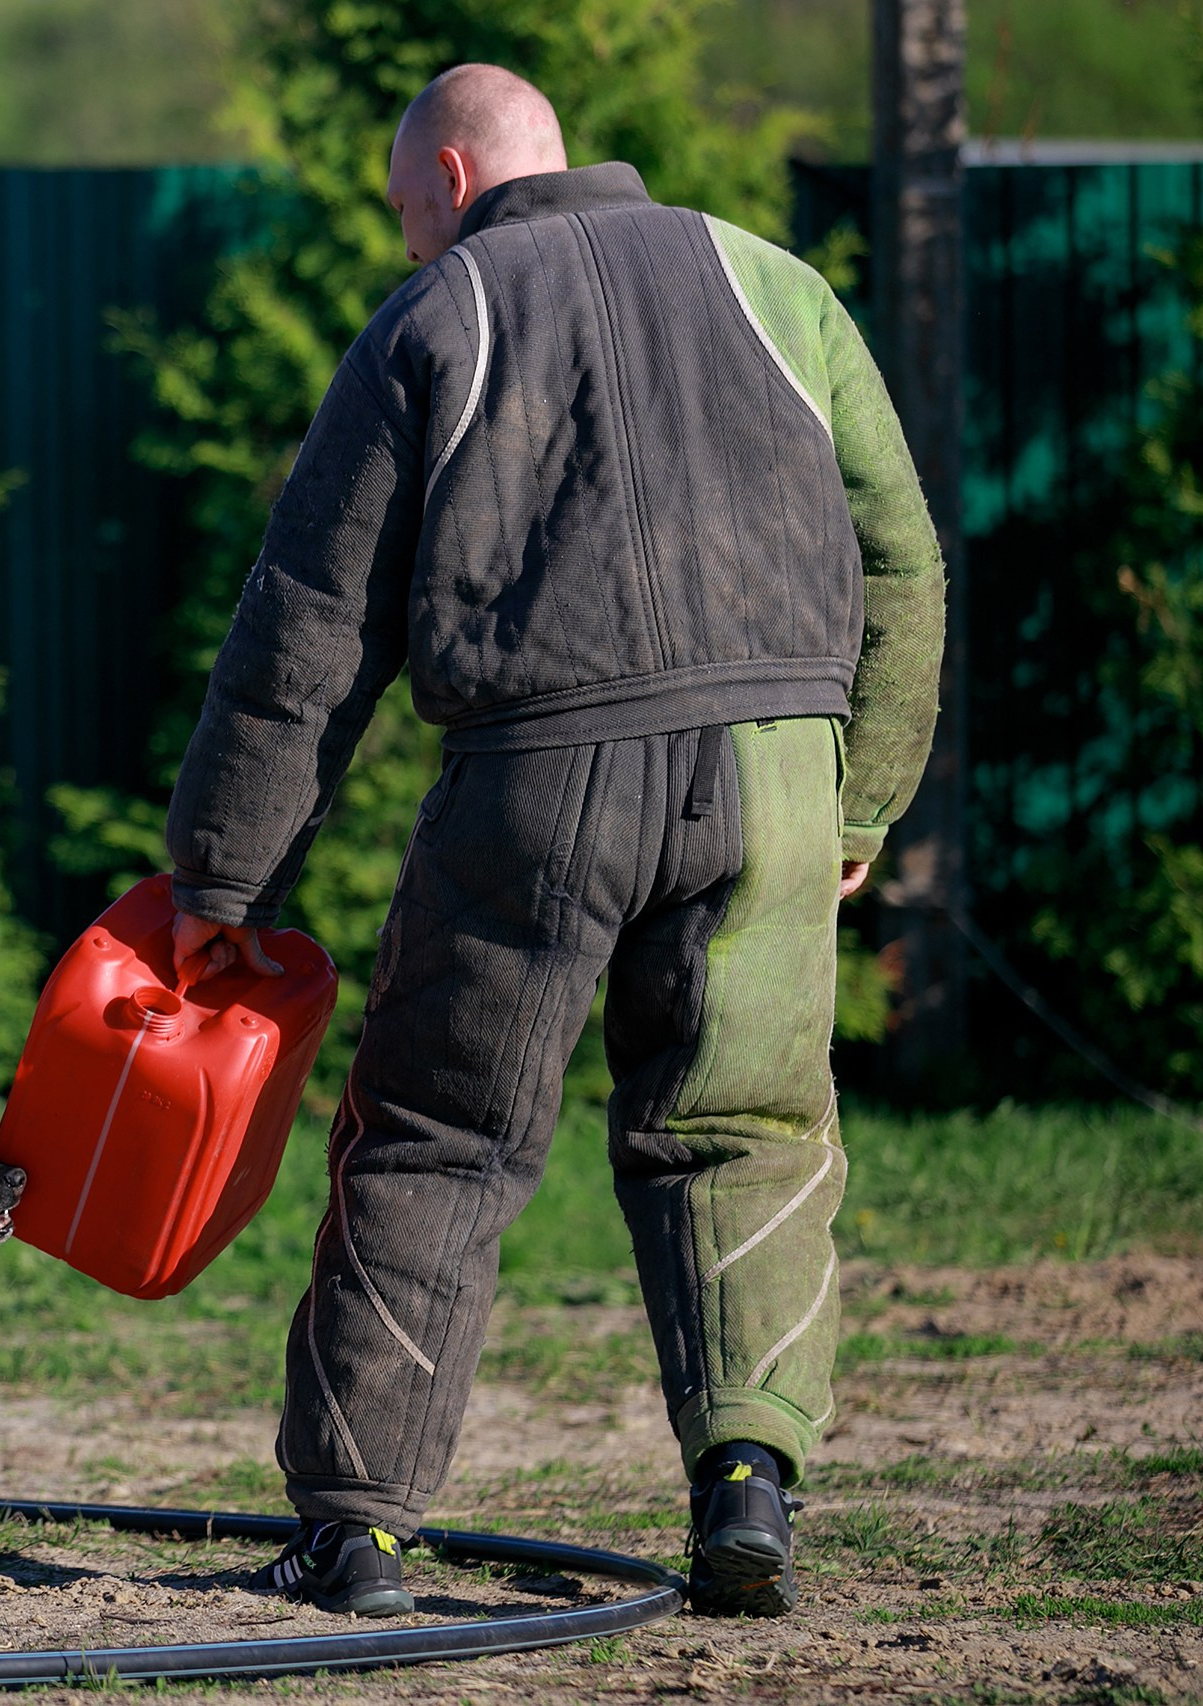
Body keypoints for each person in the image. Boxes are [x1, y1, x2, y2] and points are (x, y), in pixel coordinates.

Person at [163, 63, 946, 1619]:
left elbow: (310, 627)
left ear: (453, 180)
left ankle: (360, 1525)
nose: (407, 246)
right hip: (776, 768)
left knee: (438, 1138)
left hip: (540, 779)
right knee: (747, 1129)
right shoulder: (781, 286)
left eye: (406, 215)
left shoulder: (438, 319)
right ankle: (749, 1484)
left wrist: (221, 879)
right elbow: (903, 551)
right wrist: (863, 797)